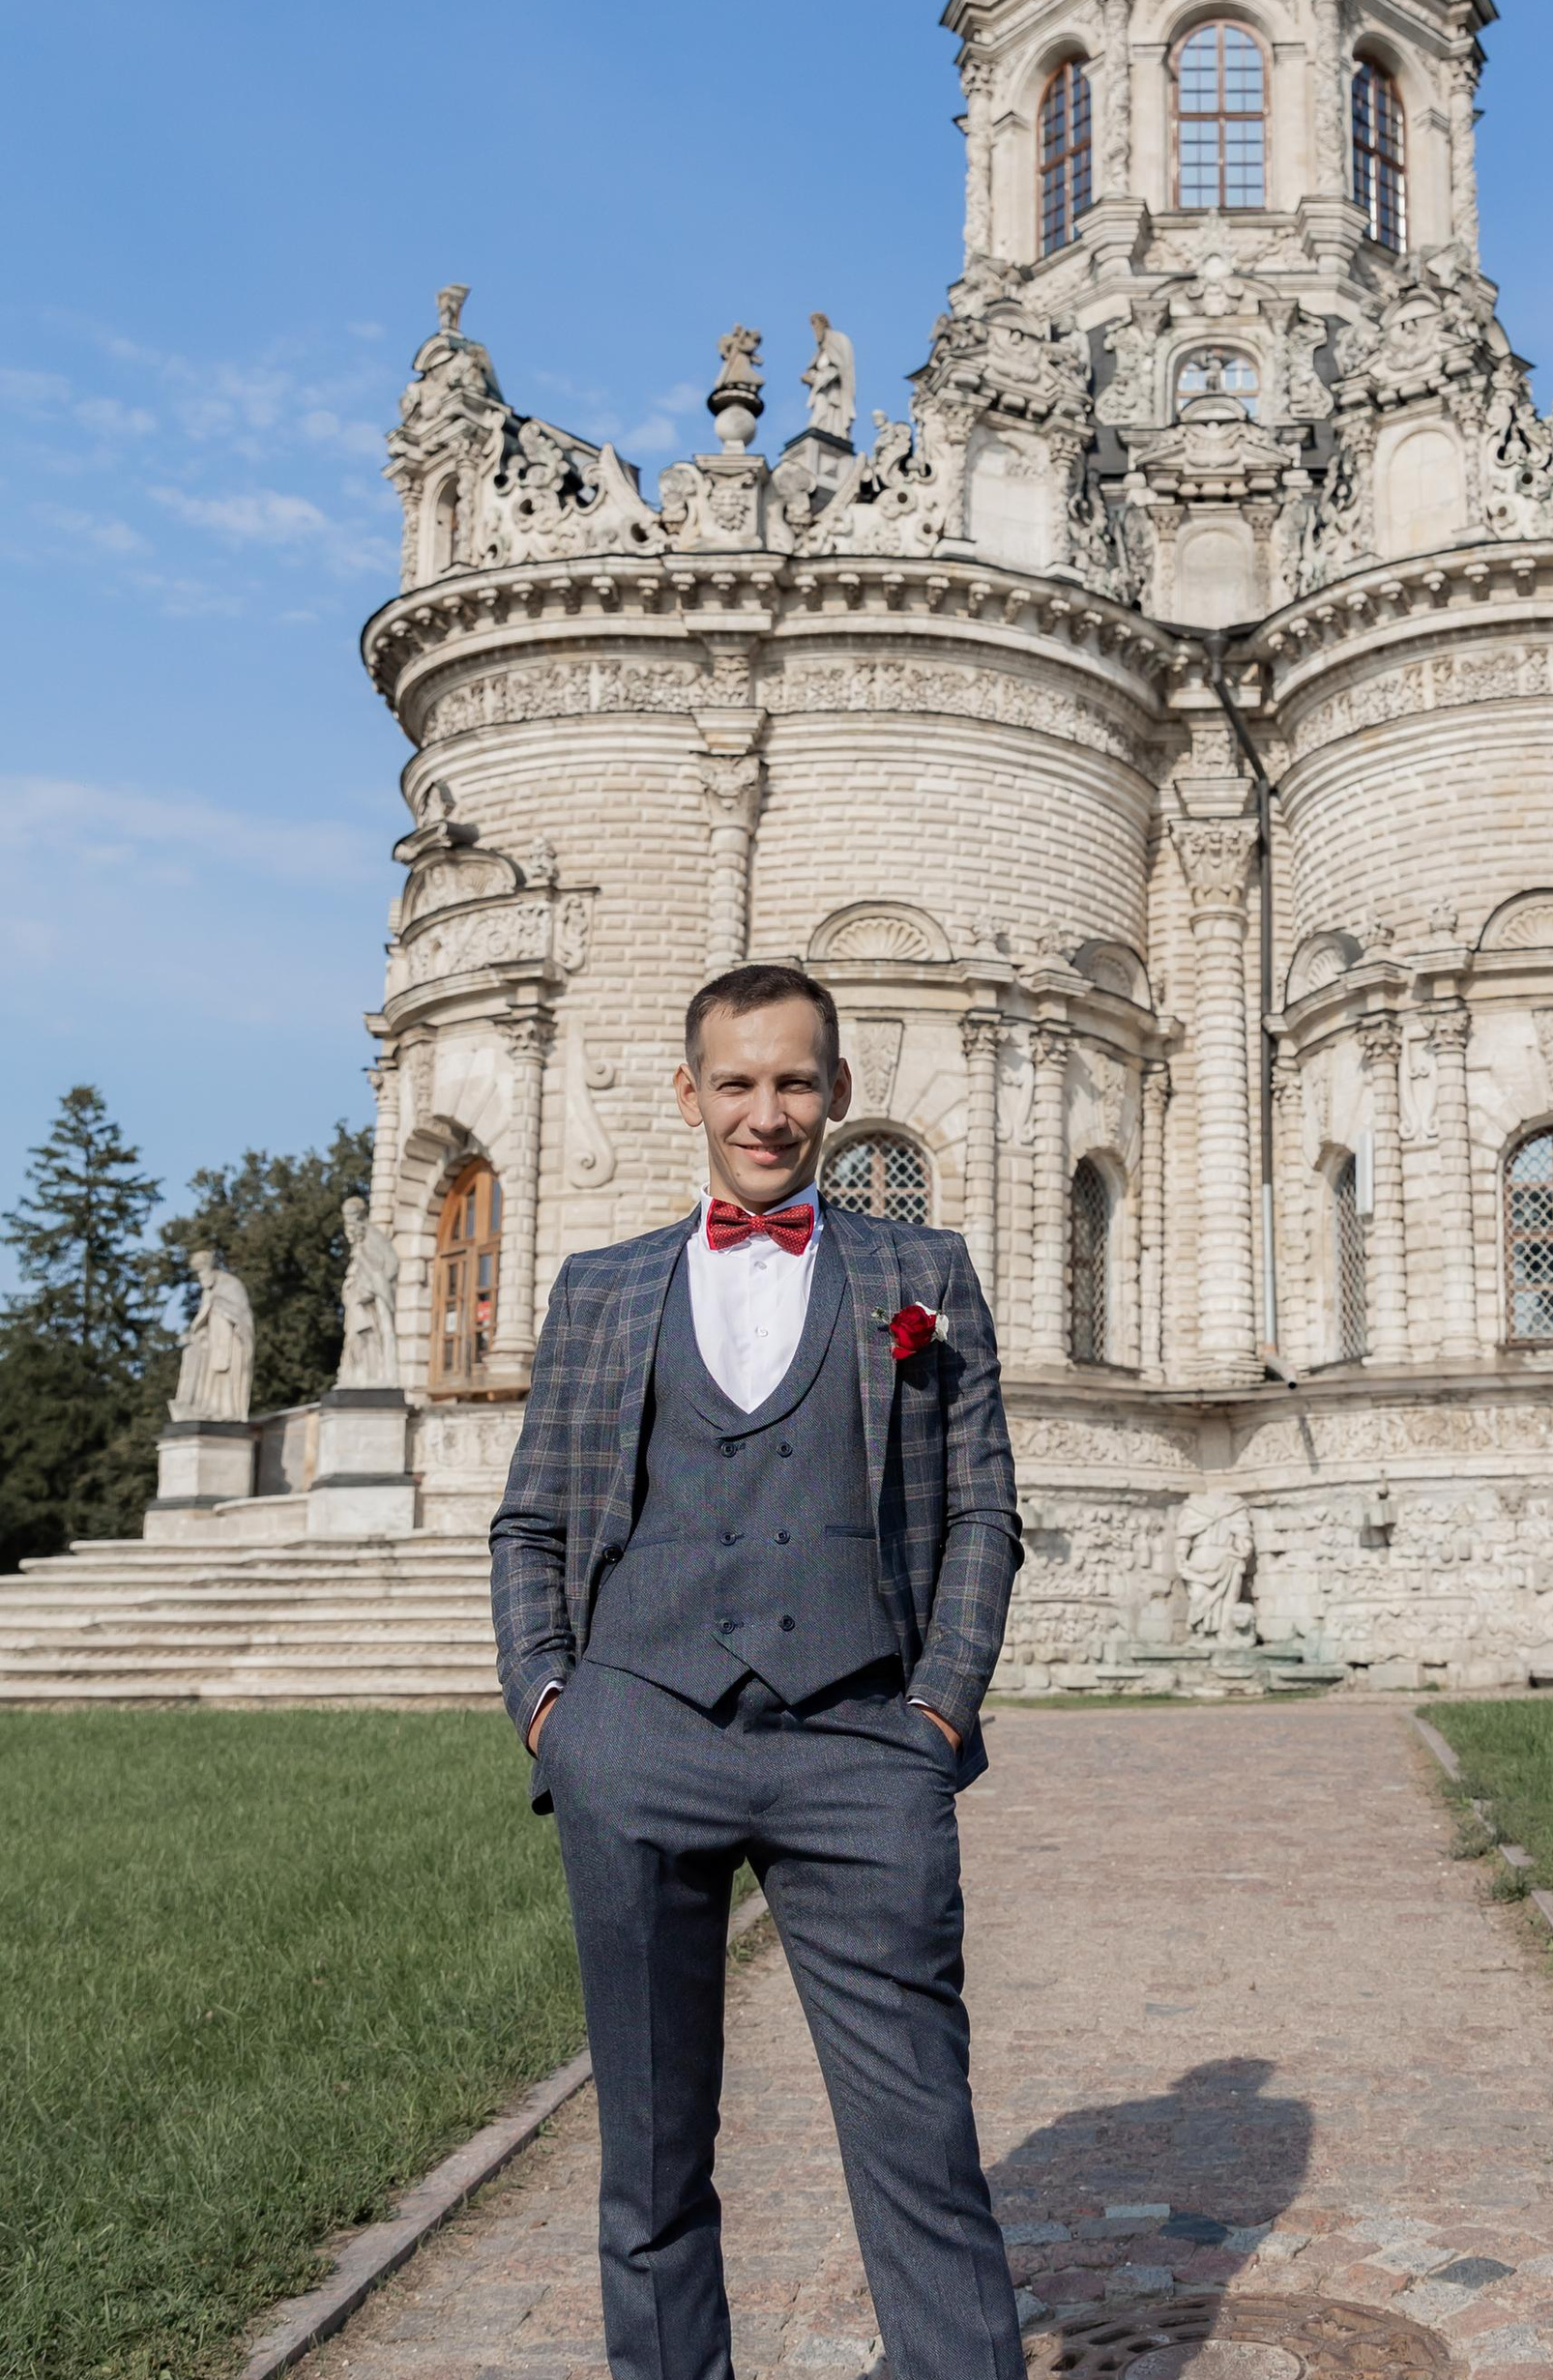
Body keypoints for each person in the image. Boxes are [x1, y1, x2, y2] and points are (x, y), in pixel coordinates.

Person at [491, 960, 1025, 2380]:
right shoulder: (600, 1291)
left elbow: (984, 1511)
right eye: (738, 1081)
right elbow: (531, 1518)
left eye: (796, 1080)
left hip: (863, 1743)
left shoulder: (925, 1278)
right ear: (691, 1095)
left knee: (922, 2144)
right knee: (652, 2156)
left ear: (839, 1094)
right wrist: (555, 1709)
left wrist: (939, 1704)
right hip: (635, 1739)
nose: (768, 1110)